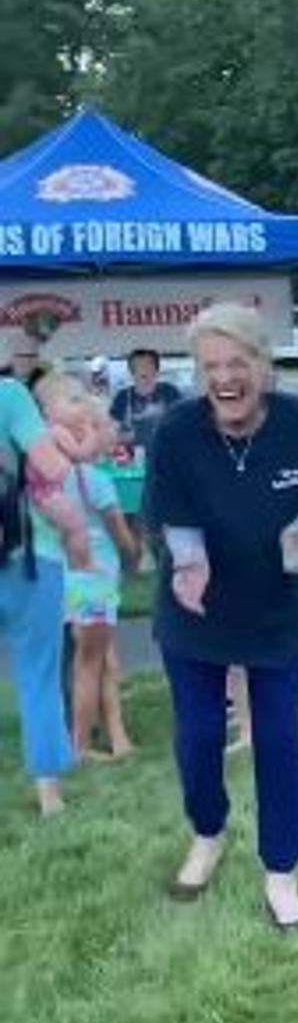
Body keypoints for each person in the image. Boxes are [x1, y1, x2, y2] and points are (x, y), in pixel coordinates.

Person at [145, 302, 298, 930]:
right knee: (200, 733)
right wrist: (188, 563)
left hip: (277, 609)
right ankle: (207, 834)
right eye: (211, 366)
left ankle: (281, 873)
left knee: (279, 739)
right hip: (194, 610)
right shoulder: (176, 430)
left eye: (238, 363)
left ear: (264, 365)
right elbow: (173, 517)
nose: (225, 378)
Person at [0, 341, 89, 815]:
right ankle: (49, 796)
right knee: (37, 676)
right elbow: (52, 469)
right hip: (27, 556)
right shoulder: (9, 395)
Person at [32, 375, 140, 760]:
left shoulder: (44, 477)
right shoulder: (93, 480)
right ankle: (78, 745)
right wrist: (132, 555)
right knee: (91, 664)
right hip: (93, 577)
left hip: (58, 574)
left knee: (99, 659)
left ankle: (116, 736)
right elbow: (121, 534)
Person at [109, 348, 183, 454]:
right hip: (133, 460)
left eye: (148, 365)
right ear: (131, 371)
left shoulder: (170, 392)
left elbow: (183, 424)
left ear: (156, 370)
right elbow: (111, 432)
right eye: (138, 366)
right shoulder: (122, 397)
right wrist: (122, 437)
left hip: (167, 455)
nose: (143, 369)